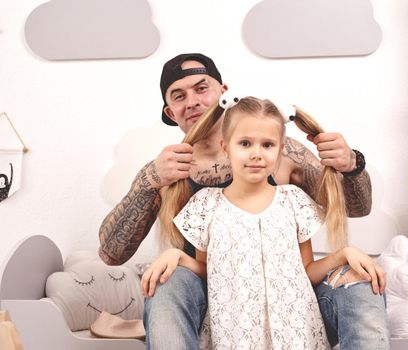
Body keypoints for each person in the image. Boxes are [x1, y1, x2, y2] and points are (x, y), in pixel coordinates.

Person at [98, 53, 388, 349]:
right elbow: (111, 254)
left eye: (201, 88)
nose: (193, 101)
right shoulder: (166, 170)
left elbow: (357, 208)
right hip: (210, 297)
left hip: (289, 301)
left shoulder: (283, 153)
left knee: (362, 280)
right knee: (165, 283)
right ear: (171, 113)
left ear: (224, 93)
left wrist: (352, 164)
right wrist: (149, 180)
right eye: (179, 96)